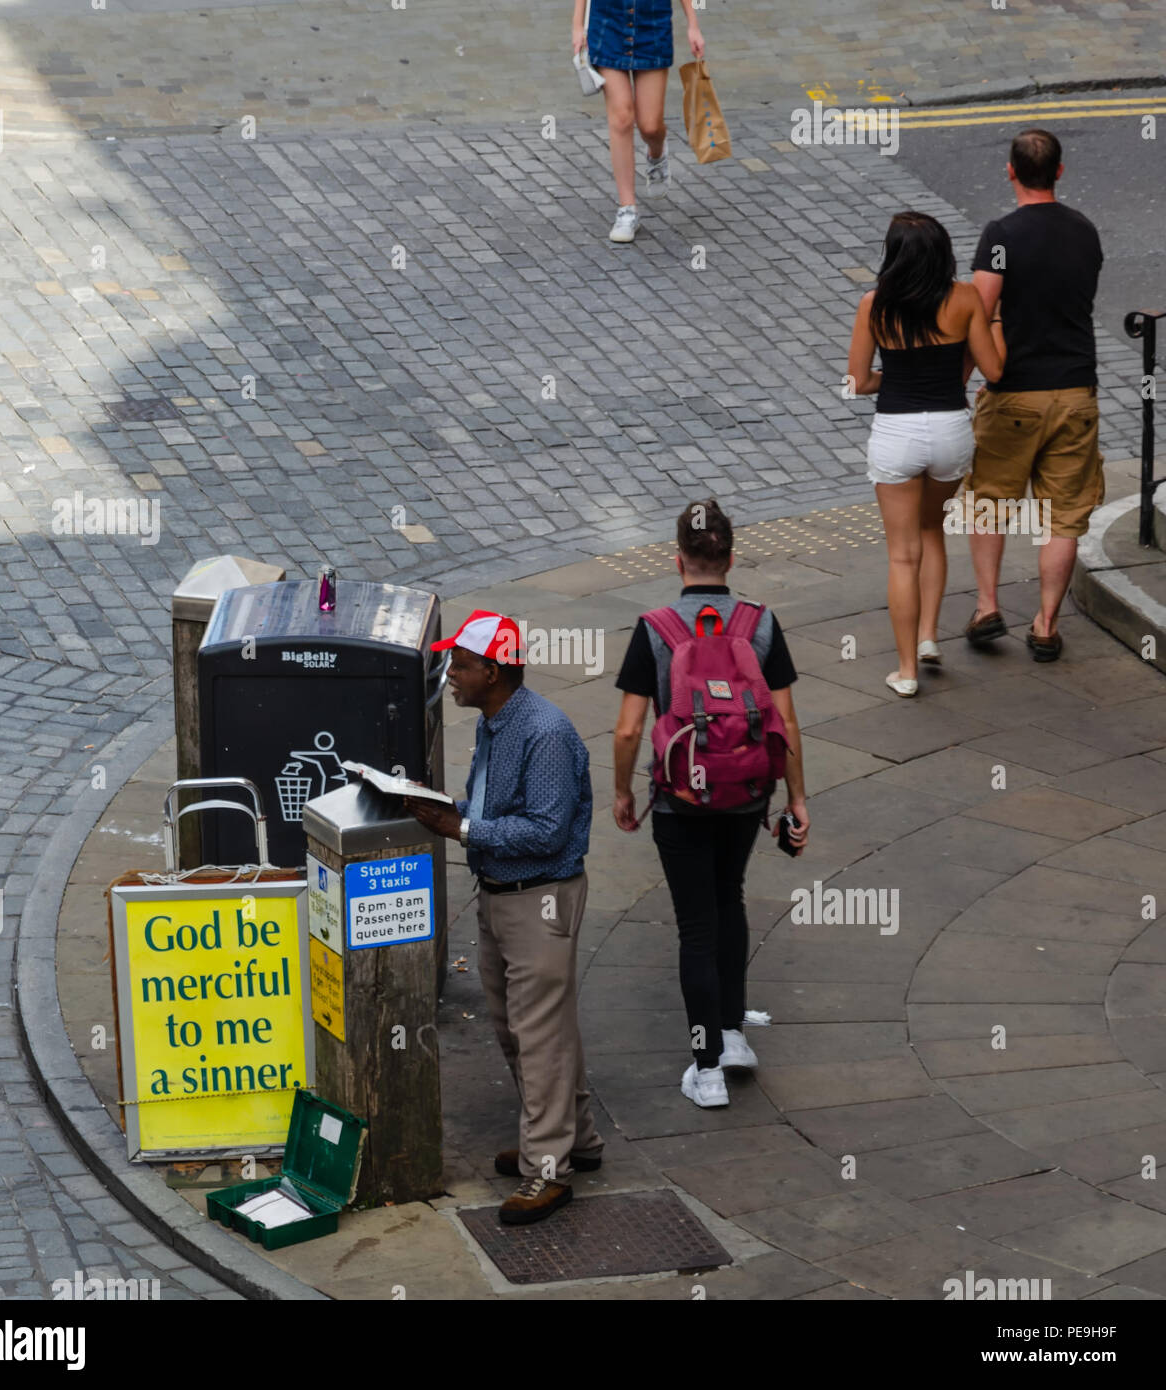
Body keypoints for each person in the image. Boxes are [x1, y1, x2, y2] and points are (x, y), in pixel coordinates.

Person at [405, 609, 601, 1226]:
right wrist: (447, 807)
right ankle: (574, 1138)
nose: (450, 676)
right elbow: (498, 806)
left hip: (538, 897)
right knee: (520, 1028)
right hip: (503, 892)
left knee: (537, 1035)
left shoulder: (543, 732)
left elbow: (546, 829)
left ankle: (548, 1169)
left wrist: (459, 827)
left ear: (493, 671)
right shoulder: (496, 721)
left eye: (459, 665)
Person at [612, 500, 809, 1109]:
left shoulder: (656, 628)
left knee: (695, 926)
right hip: (748, 794)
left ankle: (706, 1068)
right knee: (730, 900)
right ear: (729, 555)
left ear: (678, 559)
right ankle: (731, 1036)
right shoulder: (760, 623)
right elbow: (787, 720)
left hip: (681, 799)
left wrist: (621, 791)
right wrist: (797, 799)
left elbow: (626, 729)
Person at [847, 212, 1005, 697]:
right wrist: (995, 318)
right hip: (951, 431)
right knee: (932, 528)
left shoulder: (874, 305)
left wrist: (888, 380)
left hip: (897, 432)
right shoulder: (964, 298)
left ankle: (906, 670)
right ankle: (930, 637)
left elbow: (857, 382)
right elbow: (993, 369)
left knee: (902, 556)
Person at [965, 128, 1105, 662]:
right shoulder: (1085, 231)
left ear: (1010, 170)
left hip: (1014, 393)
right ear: (1060, 172)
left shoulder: (1001, 236)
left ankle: (986, 607)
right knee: (1063, 515)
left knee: (990, 504)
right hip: (1075, 392)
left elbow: (979, 309)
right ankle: (1046, 625)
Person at [572, 0, 705, 243]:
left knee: (650, 125)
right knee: (622, 118)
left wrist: (693, 25)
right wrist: (577, 26)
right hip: (608, 24)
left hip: (652, 24)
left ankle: (657, 151)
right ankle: (627, 209)